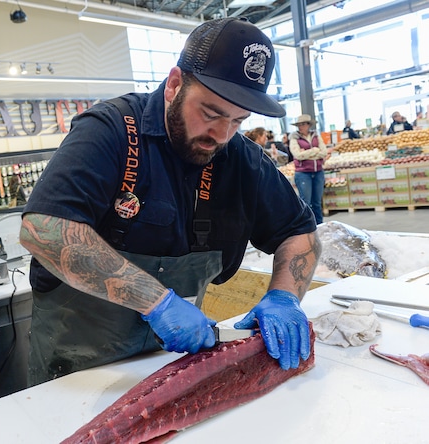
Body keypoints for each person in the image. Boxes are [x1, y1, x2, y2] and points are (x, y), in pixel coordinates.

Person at [19, 18, 320, 387]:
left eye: (238, 120)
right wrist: (157, 302)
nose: (221, 135)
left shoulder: (241, 158)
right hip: (76, 369)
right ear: (175, 85)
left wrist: (285, 297)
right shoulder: (110, 130)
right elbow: (45, 231)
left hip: (168, 364)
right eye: (210, 114)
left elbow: (299, 233)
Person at [289, 114, 327, 225]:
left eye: (303, 124)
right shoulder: (294, 138)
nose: (301, 126)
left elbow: (324, 152)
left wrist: (305, 153)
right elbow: (297, 155)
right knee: (306, 203)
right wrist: (315, 150)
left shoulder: (316, 136)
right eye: (299, 124)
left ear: (308, 125)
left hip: (318, 172)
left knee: (317, 203)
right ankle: (307, 227)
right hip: (303, 173)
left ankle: (319, 226)